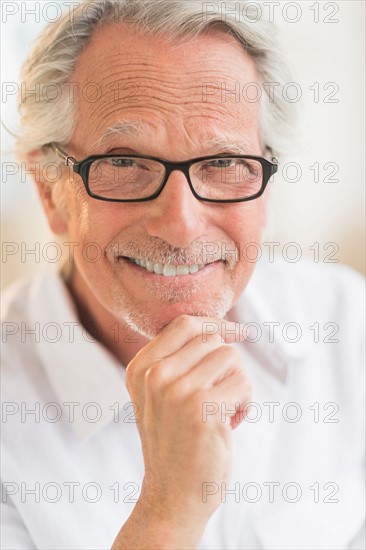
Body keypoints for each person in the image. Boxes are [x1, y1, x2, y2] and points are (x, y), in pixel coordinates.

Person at [1, 1, 364, 549]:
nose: (181, 227)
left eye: (223, 162)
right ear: (51, 190)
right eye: (124, 163)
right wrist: (167, 515)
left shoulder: (349, 325)